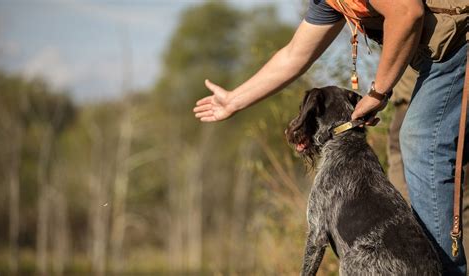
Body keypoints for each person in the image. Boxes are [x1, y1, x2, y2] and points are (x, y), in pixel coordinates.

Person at [193, 0, 468, 274]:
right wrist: (233, 101)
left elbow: (407, 13)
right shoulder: (330, 2)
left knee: (420, 140)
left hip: (459, 43)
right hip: (438, 52)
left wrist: (377, 92)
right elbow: (294, 55)